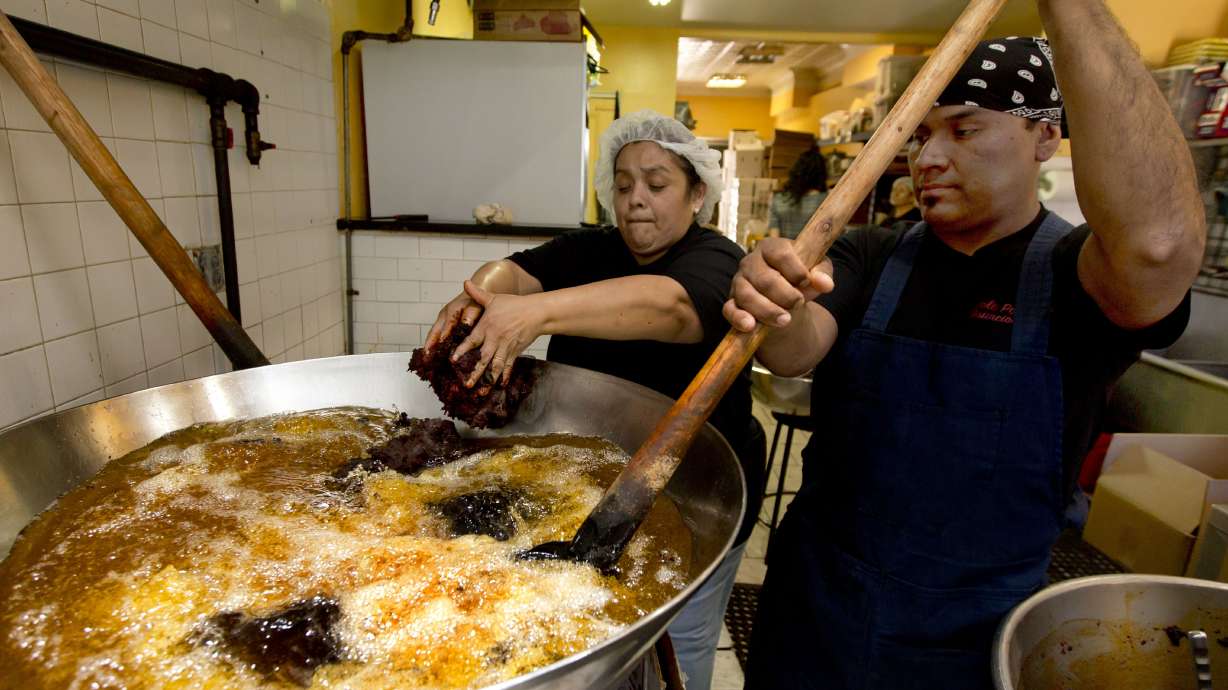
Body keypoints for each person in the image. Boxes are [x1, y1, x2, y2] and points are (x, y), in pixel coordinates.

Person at [723, 2, 1206, 687]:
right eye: (920, 136)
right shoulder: (872, 253)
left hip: (969, 636)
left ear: (1045, 136)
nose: (930, 158)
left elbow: (1159, 247)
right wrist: (773, 302)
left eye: (964, 128)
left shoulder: (1080, 280)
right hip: (817, 608)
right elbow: (796, 351)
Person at [425, 110, 765, 690]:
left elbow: (672, 307)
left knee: (674, 644)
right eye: (624, 184)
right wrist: (479, 297)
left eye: (657, 185)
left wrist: (538, 313)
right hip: (587, 480)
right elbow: (514, 270)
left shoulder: (716, 260)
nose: (636, 199)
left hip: (693, 493)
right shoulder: (591, 250)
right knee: (581, 621)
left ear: (697, 192)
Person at [769, 147, 828, 239]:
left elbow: (774, 239)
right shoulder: (826, 200)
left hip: (784, 252)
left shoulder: (779, 199)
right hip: (813, 252)